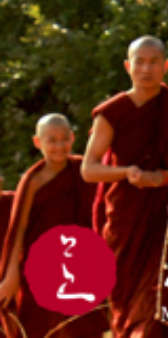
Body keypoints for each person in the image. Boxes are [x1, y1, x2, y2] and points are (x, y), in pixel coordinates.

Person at [82, 37, 168, 338]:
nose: (146, 68)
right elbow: (88, 170)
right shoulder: (112, 112)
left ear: (166, 67)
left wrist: (165, 176)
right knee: (128, 297)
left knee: (165, 293)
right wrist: (125, 172)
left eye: (154, 62)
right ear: (128, 67)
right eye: (139, 62)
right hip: (127, 214)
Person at [0, 115, 106, 338]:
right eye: (51, 140)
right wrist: (11, 275)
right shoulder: (33, 180)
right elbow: (18, 228)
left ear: (73, 138)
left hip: (79, 264)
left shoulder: (83, 171)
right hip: (41, 266)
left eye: (64, 139)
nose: (59, 146)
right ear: (37, 142)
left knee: (80, 326)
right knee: (43, 327)